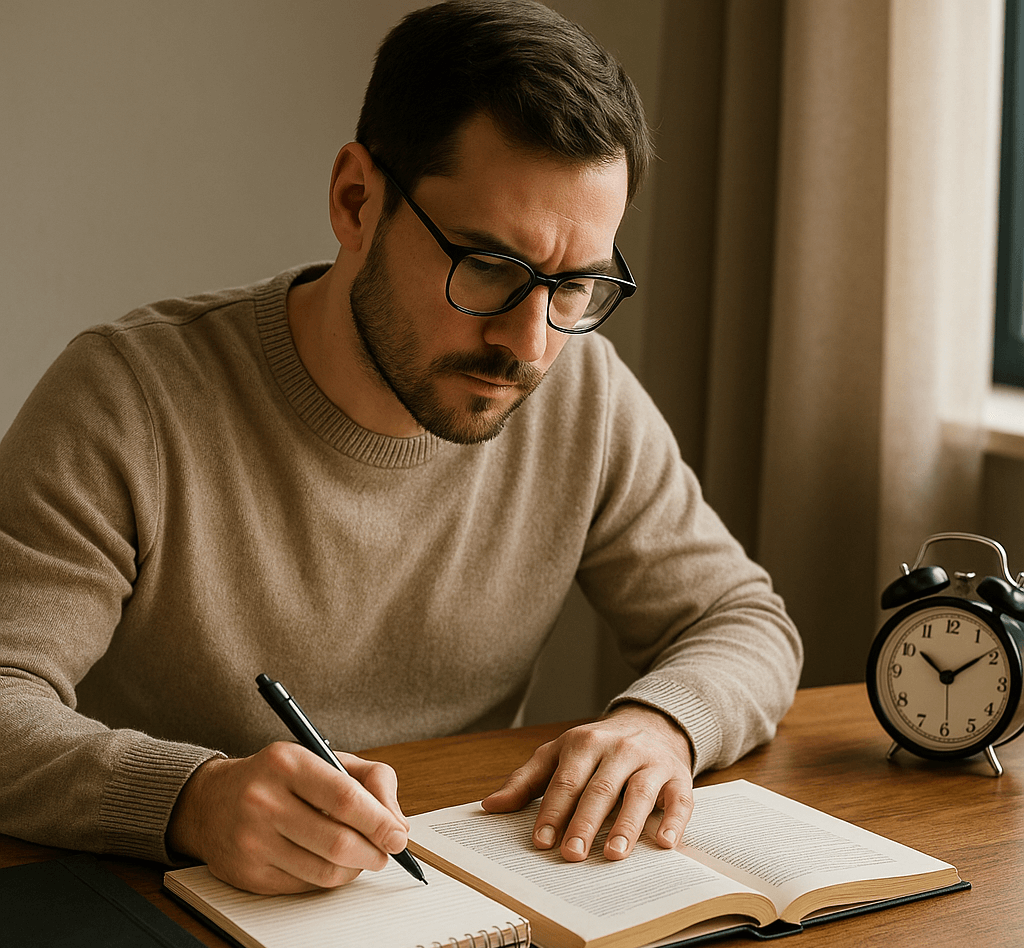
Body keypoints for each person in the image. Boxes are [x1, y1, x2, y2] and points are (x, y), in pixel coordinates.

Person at [0, 0, 802, 896]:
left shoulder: (585, 393)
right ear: (356, 200)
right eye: (490, 266)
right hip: (164, 911)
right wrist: (191, 797)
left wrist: (666, 724)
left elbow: (743, 622)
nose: (529, 344)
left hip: (456, 906)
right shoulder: (126, 398)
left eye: (574, 285)